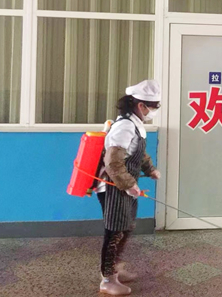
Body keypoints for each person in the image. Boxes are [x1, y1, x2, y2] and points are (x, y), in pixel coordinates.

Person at [96, 80, 161, 295]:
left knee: (125, 227)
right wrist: (129, 184)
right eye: (153, 107)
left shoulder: (135, 123)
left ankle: (114, 269)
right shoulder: (124, 126)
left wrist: (150, 169)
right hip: (113, 186)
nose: (153, 111)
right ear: (141, 105)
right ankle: (107, 280)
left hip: (125, 185)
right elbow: (113, 162)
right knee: (114, 231)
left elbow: (138, 152)